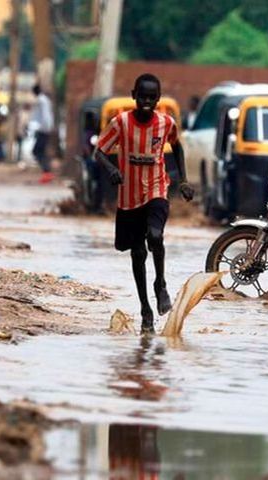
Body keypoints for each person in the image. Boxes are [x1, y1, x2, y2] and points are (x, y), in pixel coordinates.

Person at [93, 73, 195, 334]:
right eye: (142, 96)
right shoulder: (121, 123)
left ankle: (160, 284)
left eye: (152, 97)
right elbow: (99, 151)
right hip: (129, 196)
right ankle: (145, 309)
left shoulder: (166, 123)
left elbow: (178, 147)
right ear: (134, 95)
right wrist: (111, 169)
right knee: (137, 253)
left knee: (156, 235)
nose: (147, 101)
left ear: (158, 99)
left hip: (157, 188)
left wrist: (183, 180)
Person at [31, 84, 55, 184]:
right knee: (40, 151)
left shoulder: (42, 100)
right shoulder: (44, 100)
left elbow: (45, 115)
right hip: (44, 128)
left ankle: (47, 172)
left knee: (37, 151)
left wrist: (44, 127)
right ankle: (47, 172)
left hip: (43, 129)